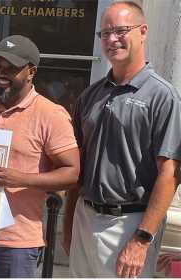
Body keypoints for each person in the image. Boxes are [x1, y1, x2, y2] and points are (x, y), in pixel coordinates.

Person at [63, 1, 181, 278]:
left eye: (120, 30)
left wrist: (142, 239)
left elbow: (171, 173)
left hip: (129, 223)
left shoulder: (163, 97)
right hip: (85, 217)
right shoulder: (90, 96)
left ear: (143, 31)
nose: (112, 39)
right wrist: (68, 223)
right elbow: (77, 168)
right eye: (105, 33)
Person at [0, 35, 80, 278]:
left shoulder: (51, 115)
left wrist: (21, 178)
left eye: (12, 68)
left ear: (31, 72)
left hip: (17, 244)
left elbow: (72, 173)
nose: (2, 74)